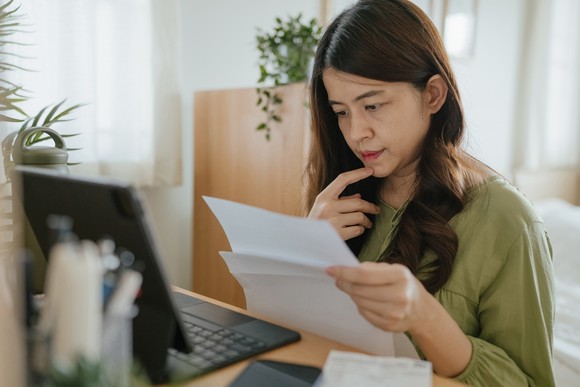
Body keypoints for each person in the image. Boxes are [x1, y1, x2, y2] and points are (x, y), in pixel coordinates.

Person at [304, 1, 555, 386]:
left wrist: (426, 318)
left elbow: (529, 381)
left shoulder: (508, 220)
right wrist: (306, 248)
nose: (356, 133)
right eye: (341, 112)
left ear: (433, 95)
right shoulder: (339, 199)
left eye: (372, 105)